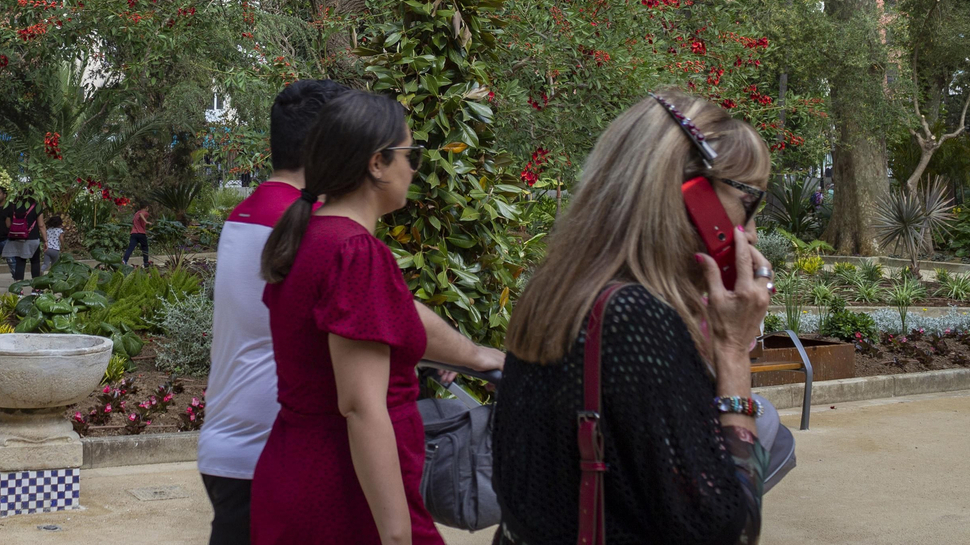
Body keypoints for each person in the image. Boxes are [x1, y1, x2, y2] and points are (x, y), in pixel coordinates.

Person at [490, 91, 775, 545]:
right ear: (692, 193)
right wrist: (733, 353)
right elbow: (729, 528)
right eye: (750, 202)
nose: (753, 231)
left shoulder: (556, 292)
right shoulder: (635, 319)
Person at [250, 91, 503, 545]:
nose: (414, 168)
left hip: (296, 470)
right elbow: (360, 405)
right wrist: (397, 534)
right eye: (412, 155)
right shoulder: (354, 252)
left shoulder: (312, 236)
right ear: (376, 164)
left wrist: (476, 355)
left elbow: (396, 314)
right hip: (346, 494)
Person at [199, 78, 349, 545]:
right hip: (268, 450)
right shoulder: (304, 228)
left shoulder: (245, 215)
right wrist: (475, 354)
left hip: (228, 443)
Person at [2, 193, 42, 281]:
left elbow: (8, 224)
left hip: (17, 238)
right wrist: (46, 240)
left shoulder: (13, 206)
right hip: (33, 238)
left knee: (20, 262)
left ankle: (18, 289)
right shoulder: (36, 206)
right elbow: (41, 225)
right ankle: (36, 288)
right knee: (35, 262)